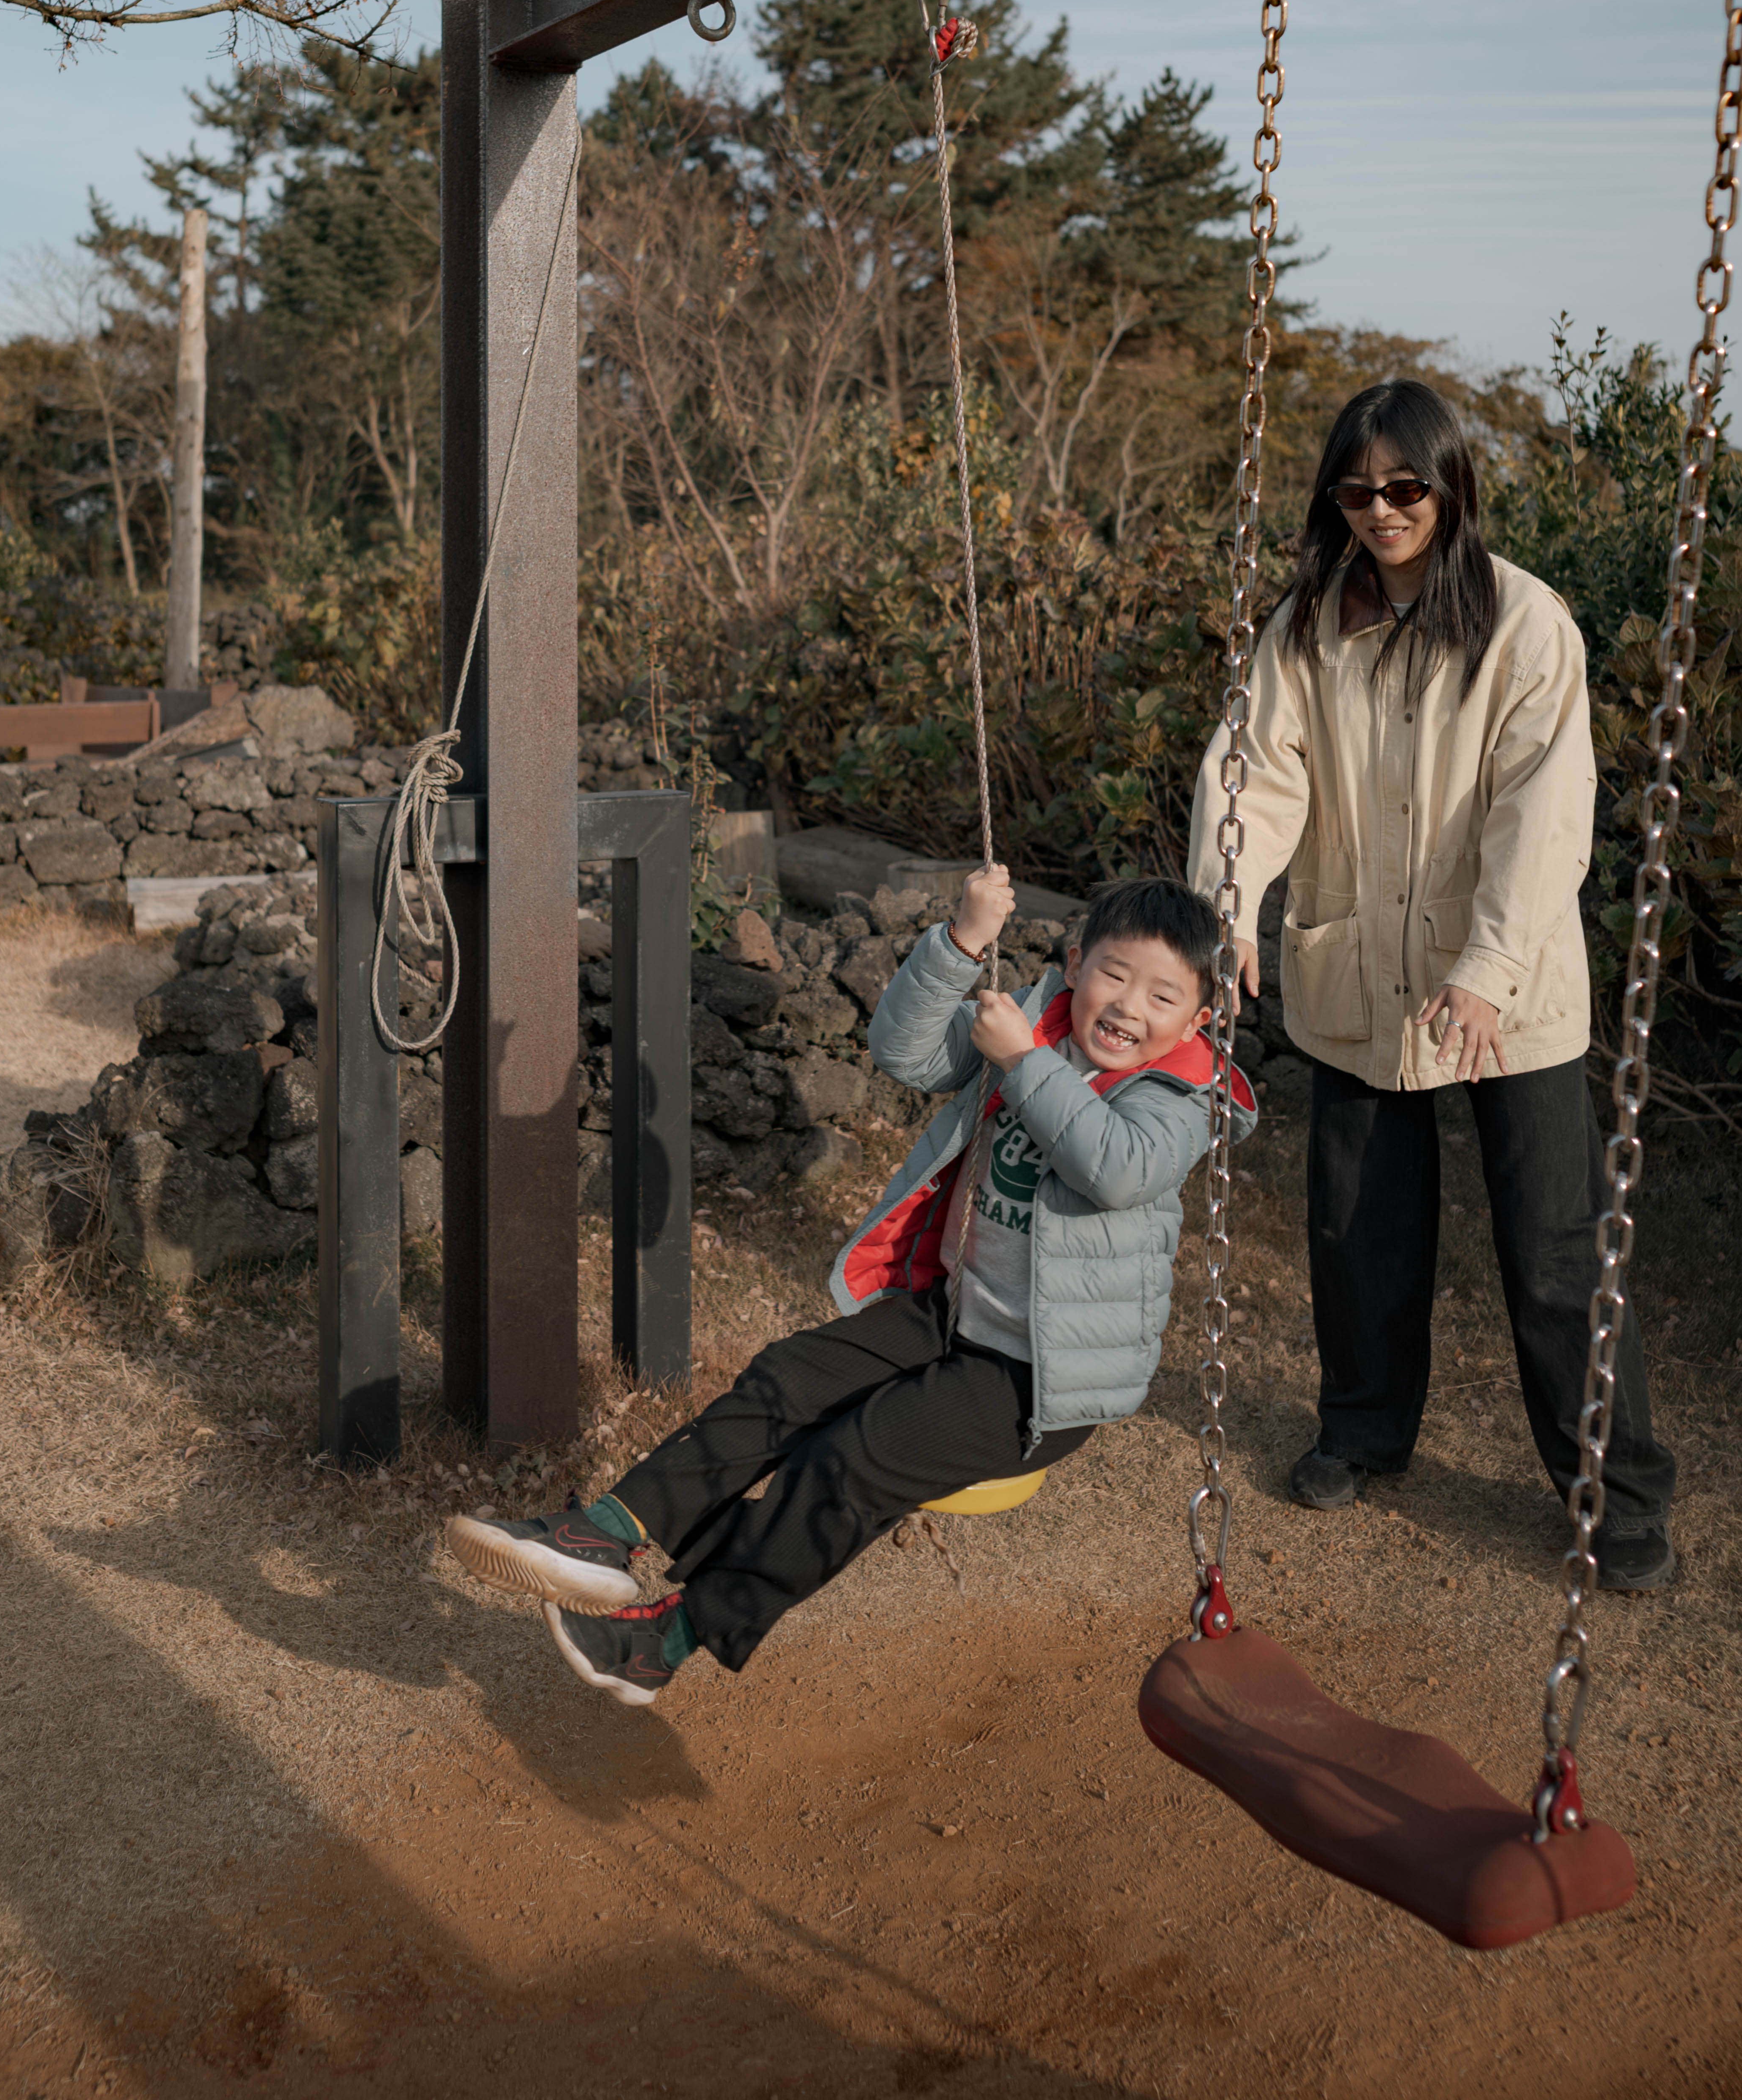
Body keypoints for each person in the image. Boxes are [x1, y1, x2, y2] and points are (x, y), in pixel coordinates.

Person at [444, 870, 1255, 1704]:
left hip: (1039, 1380)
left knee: (852, 1458)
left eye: (1162, 996)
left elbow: (1116, 1169)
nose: (1127, 1006)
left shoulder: (1181, 1097)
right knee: (785, 1379)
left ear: (1197, 1020)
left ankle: (662, 1639)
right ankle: (607, 1531)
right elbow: (906, 1052)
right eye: (1114, 974)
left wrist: (1022, 1060)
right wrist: (961, 942)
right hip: (950, 1313)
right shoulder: (1033, 1020)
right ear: (1077, 964)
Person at [1186, 374, 1676, 1588]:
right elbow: (1252, 771)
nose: (1382, 510)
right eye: (1356, 491)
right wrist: (1228, 909)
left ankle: (1614, 1491)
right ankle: (1360, 1430)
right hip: (1357, 963)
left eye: (1406, 485)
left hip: (1508, 988)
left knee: (1554, 1247)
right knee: (1358, 1225)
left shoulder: (1525, 622)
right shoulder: (1307, 626)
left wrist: (1489, 967)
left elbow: (1543, 814)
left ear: (1450, 484)